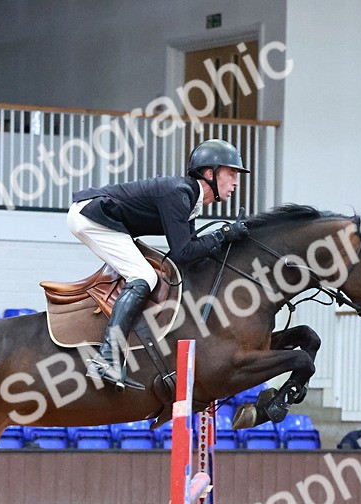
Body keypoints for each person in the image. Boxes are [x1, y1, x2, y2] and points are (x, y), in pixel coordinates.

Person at [68, 139, 250, 390]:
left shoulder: (190, 200)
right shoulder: (179, 194)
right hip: (92, 216)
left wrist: (226, 239)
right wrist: (223, 234)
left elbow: (188, 253)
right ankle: (107, 359)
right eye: (231, 174)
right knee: (144, 276)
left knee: (148, 273)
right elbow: (183, 252)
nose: (236, 182)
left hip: (106, 220)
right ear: (210, 174)